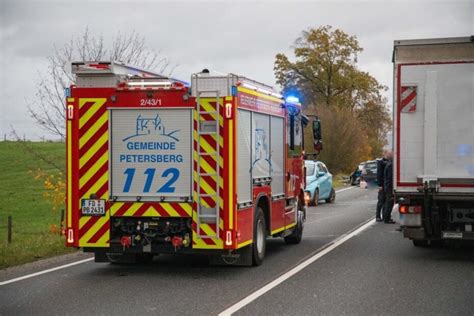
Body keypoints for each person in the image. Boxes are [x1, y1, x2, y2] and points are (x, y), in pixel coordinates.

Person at [383, 150, 395, 224]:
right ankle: (387, 218)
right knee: (389, 202)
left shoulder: (389, 164)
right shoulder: (391, 165)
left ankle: (386, 217)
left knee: (388, 202)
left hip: (387, 186)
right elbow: (390, 177)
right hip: (389, 187)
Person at [376, 150, 389, 222]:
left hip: (387, 185)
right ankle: (378, 216)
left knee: (386, 201)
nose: (388, 155)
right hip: (382, 184)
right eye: (387, 154)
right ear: (384, 154)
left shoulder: (390, 162)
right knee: (381, 201)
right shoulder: (380, 162)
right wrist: (380, 185)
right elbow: (379, 175)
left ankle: (384, 215)